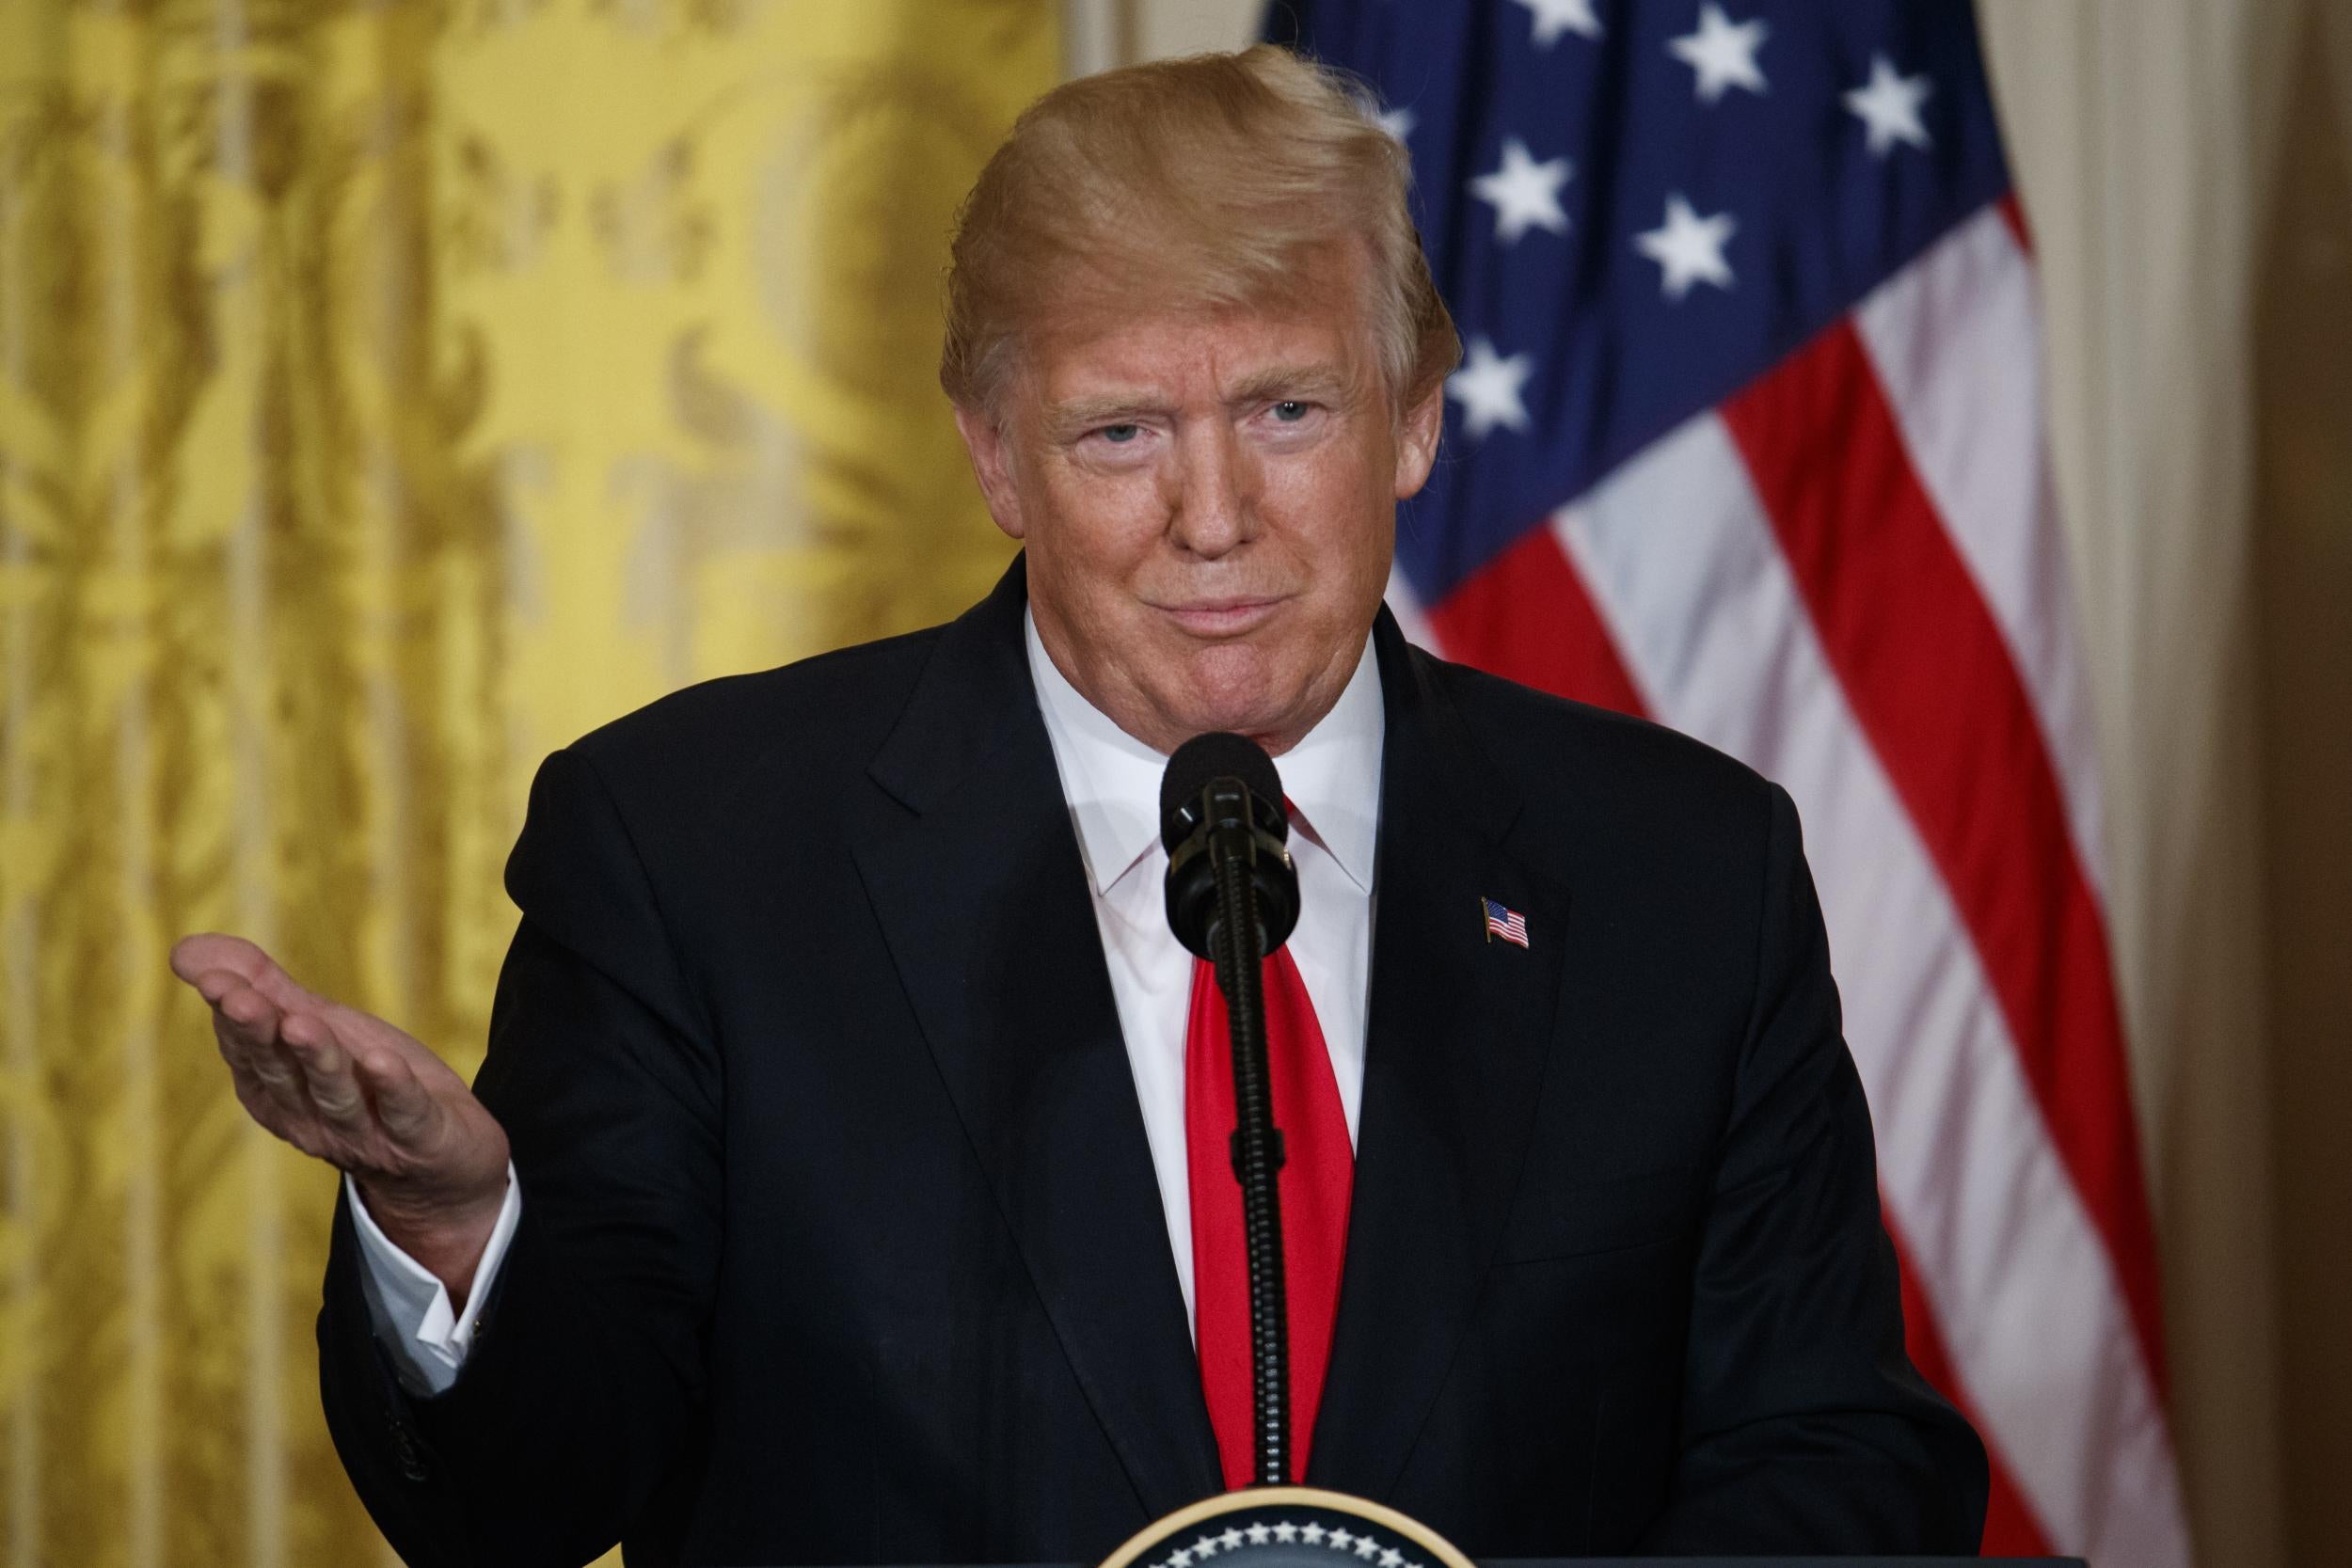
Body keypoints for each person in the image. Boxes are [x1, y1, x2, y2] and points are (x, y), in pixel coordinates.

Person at [171, 45, 1986, 1568]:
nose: (1213, 517)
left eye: (1286, 408)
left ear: (1416, 417)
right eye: (1121, 432)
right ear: (991, 454)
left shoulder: (1683, 872)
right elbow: (533, 1503)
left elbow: (1831, 1453)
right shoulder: (694, 851)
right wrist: (465, 1236)